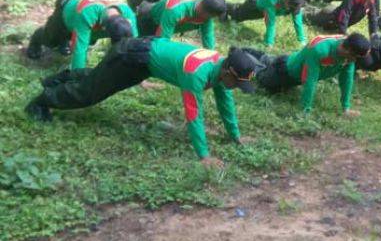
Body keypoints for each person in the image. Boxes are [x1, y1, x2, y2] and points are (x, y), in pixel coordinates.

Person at [25, 38, 259, 168]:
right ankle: (40, 102)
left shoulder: (220, 68)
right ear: (229, 71)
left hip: (143, 59)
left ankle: (62, 78)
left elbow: (224, 101)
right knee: (90, 94)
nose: (236, 88)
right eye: (237, 83)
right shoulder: (196, 74)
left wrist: (235, 135)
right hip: (130, 57)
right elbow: (193, 114)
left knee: (99, 79)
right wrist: (204, 156)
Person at [245, 33, 370, 115]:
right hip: (285, 71)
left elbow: (346, 80)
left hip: (296, 71)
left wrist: (346, 108)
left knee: (270, 63)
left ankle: (267, 58)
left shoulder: (350, 56)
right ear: (346, 49)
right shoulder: (320, 49)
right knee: (261, 77)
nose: (355, 61)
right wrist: (305, 110)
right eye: (355, 57)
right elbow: (310, 80)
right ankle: (243, 54)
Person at [26, 0, 138, 69]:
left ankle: (65, 40)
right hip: (66, 15)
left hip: (88, 23)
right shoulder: (87, 14)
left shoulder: (129, 15)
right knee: (50, 41)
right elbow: (80, 49)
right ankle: (37, 37)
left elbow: (135, 47)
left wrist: (138, 78)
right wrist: (78, 79)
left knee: (85, 39)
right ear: (104, 29)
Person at [137, 0, 226, 49]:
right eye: (213, 16)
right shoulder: (177, 10)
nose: (212, 19)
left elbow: (208, 37)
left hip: (164, 21)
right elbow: (162, 39)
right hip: (149, 19)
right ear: (205, 12)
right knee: (139, 46)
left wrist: (211, 58)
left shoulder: (206, 12)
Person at [225, 0, 306, 47]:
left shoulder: (295, 3)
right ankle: (222, 5)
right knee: (236, 14)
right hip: (254, 6)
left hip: (263, 9)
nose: (289, 9)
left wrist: (302, 41)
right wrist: (269, 43)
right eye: (289, 6)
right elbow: (270, 23)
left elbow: (298, 23)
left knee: (237, 13)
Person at [305, 0, 381, 39]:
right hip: (330, 17)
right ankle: (299, 4)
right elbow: (344, 15)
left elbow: (373, 19)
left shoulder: (370, 0)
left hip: (335, 18)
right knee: (307, 15)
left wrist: (373, 36)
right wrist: (343, 34)